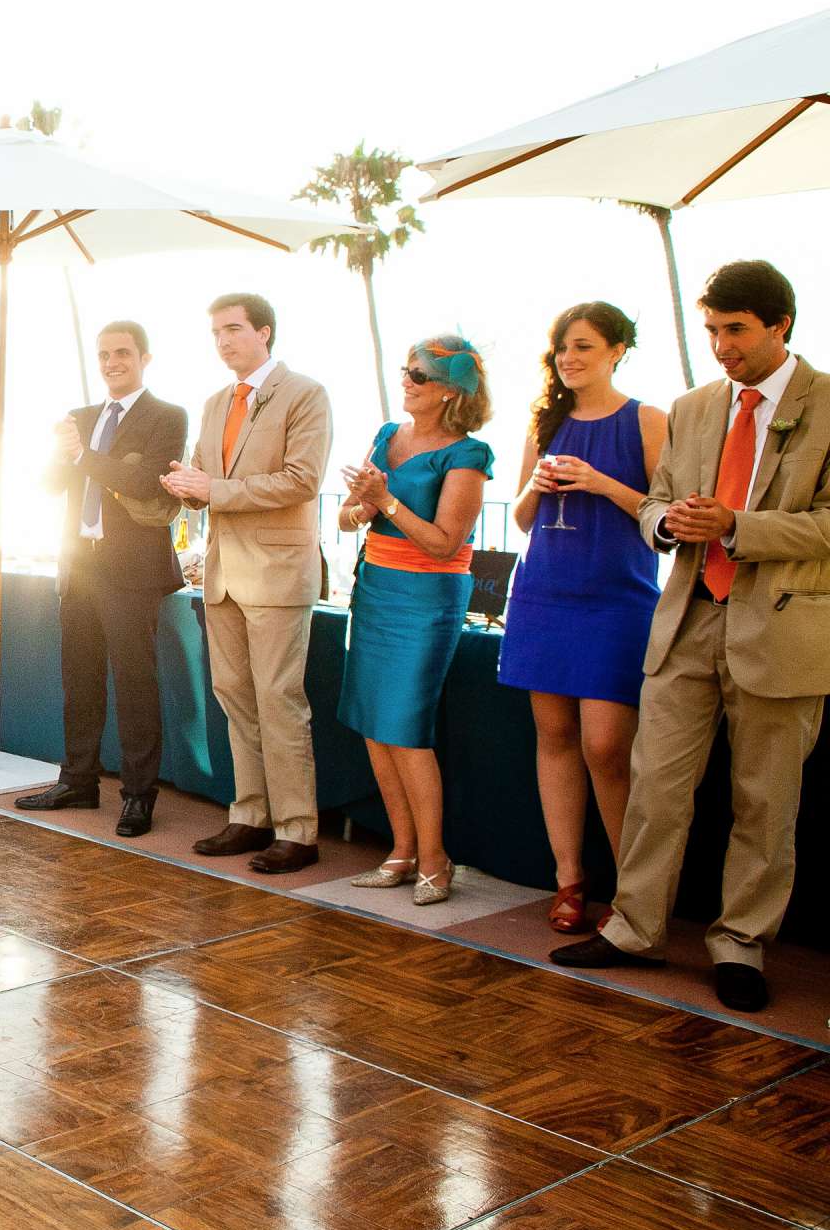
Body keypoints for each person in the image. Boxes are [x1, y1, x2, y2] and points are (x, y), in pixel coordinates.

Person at [553, 260, 829, 1013]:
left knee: (763, 803)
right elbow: (658, 505)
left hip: (783, 631)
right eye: (710, 329)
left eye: (734, 330)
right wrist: (664, 522)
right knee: (656, 789)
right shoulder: (695, 405)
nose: (719, 345)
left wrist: (740, 527)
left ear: (781, 325)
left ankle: (741, 943)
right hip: (685, 621)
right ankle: (635, 929)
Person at [497, 302, 666, 933]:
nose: (569, 358)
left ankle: (634, 895)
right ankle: (569, 880)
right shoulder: (545, 422)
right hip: (544, 594)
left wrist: (600, 483)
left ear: (618, 349)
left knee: (606, 746)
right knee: (554, 738)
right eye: (562, 348)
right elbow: (519, 519)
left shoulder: (648, 420)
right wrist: (539, 485)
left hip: (617, 601)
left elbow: (665, 521)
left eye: (584, 346)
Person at [162, 293, 332, 874]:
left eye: (233, 329)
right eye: (215, 333)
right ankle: (251, 814)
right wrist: (186, 485)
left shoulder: (305, 393)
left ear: (265, 332)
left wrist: (214, 491)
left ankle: (298, 830)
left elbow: (302, 480)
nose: (223, 341)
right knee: (235, 698)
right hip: (222, 574)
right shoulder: (214, 403)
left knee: (280, 701)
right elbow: (208, 477)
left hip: (278, 573)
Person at [333, 337, 494, 905]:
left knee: (407, 727)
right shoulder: (386, 435)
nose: (407, 381)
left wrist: (388, 501)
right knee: (375, 724)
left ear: (452, 391)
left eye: (420, 377)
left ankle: (435, 859)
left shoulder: (468, 455)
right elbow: (352, 516)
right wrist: (359, 506)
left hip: (427, 597)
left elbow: (447, 544)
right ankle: (400, 851)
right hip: (375, 589)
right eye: (406, 372)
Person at [17, 322, 189, 837]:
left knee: (135, 683)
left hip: (133, 569)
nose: (112, 362)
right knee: (80, 678)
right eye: (104, 355)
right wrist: (58, 452)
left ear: (144, 357)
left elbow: (145, 480)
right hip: (80, 563)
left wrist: (83, 455)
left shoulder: (167, 416)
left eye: (122, 353)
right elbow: (49, 485)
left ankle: (138, 795)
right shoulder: (82, 418)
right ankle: (78, 780)